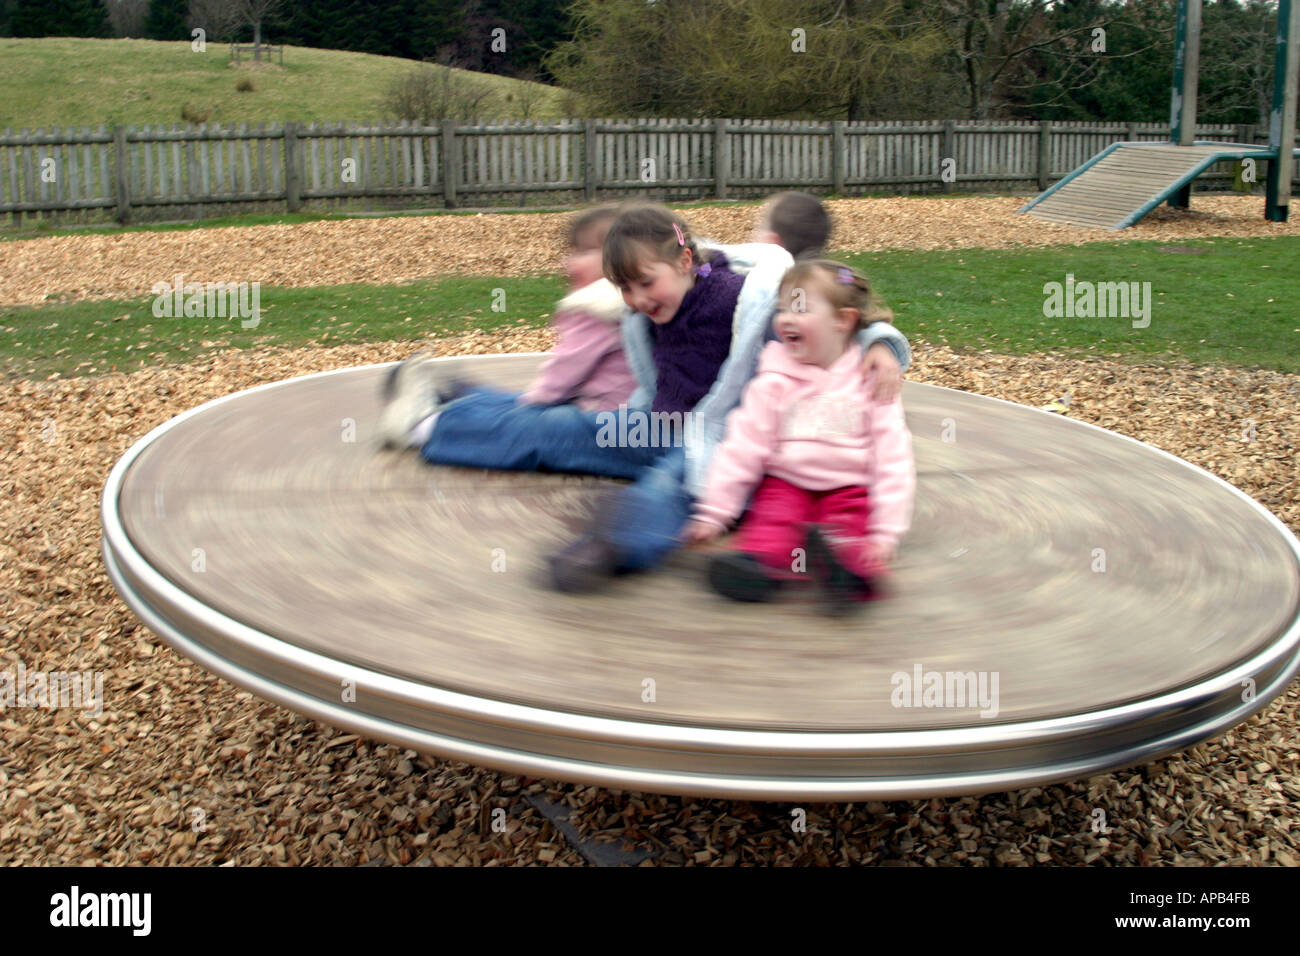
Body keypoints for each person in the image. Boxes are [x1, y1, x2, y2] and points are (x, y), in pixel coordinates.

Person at [549, 203, 910, 592]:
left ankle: (612, 543)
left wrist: (882, 343)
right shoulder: (672, 284)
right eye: (625, 289)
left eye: (644, 284)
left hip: (724, 445)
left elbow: (832, 319)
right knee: (561, 428)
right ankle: (474, 411)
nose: (635, 299)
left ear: (685, 261)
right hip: (668, 429)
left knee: (669, 486)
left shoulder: (751, 307)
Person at [683, 260, 915, 614]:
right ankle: (758, 567)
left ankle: (848, 574)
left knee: (848, 530)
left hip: (850, 487)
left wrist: (886, 533)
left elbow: (893, 457)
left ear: (843, 320)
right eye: (782, 309)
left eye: (800, 308)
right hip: (785, 483)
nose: (786, 319)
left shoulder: (870, 379)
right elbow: (744, 446)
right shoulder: (774, 379)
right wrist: (715, 512)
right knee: (772, 522)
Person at [376, 205, 640, 462]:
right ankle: (464, 399)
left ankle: (422, 426)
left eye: (583, 251)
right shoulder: (638, 299)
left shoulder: (595, 306)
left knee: (526, 426)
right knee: (523, 407)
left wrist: (535, 402)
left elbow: (564, 372)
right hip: (619, 414)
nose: (567, 262)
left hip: (606, 422)